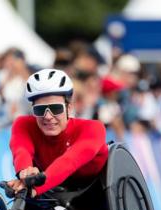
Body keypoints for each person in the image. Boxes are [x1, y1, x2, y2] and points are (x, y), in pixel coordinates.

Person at [7, 68, 108, 197]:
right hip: (50, 190)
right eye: (40, 110)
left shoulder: (94, 128)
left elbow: (69, 161)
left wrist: (35, 188)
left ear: (69, 108)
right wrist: (25, 175)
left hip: (94, 193)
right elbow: (21, 151)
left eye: (55, 108)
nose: (48, 116)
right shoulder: (23, 124)